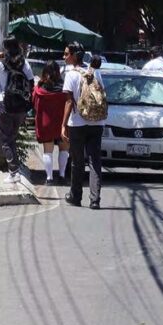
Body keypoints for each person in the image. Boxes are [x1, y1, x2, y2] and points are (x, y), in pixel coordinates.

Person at [61, 42, 105, 208]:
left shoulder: (71, 74)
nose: (64, 57)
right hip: (97, 122)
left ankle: (75, 196)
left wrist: (63, 125)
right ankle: (95, 200)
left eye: (67, 54)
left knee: (77, 161)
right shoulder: (94, 72)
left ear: (74, 56)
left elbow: (68, 102)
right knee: (95, 161)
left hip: (77, 123)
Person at [0, 40, 33, 179]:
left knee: (7, 140)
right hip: (20, 106)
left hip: (3, 104)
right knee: (12, 137)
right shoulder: (24, 64)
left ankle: (14, 172)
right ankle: (15, 170)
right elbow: (31, 83)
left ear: (5, 49)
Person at [32, 61, 71, 183]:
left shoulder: (40, 89)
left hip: (46, 122)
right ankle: (62, 175)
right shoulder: (64, 88)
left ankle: (49, 178)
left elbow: (34, 103)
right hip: (62, 122)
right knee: (64, 149)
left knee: (47, 150)